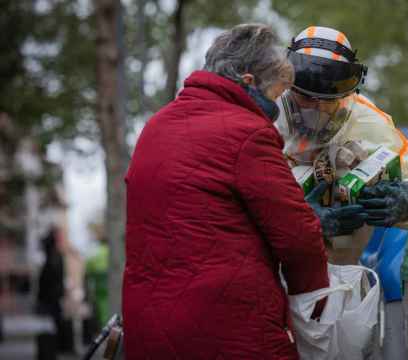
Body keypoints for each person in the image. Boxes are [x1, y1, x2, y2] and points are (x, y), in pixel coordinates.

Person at [123, 24, 359, 359]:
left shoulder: (156, 127)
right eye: (276, 96)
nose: (277, 110)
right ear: (249, 83)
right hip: (227, 330)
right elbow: (298, 237)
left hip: (149, 328)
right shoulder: (248, 133)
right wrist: (314, 314)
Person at [275, 26, 408, 264]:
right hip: (269, 271)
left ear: (345, 91)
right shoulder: (264, 115)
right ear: (287, 84)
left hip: (339, 276)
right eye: (307, 98)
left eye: (328, 98)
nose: (318, 108)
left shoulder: (369, 123)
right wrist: (298, 220)